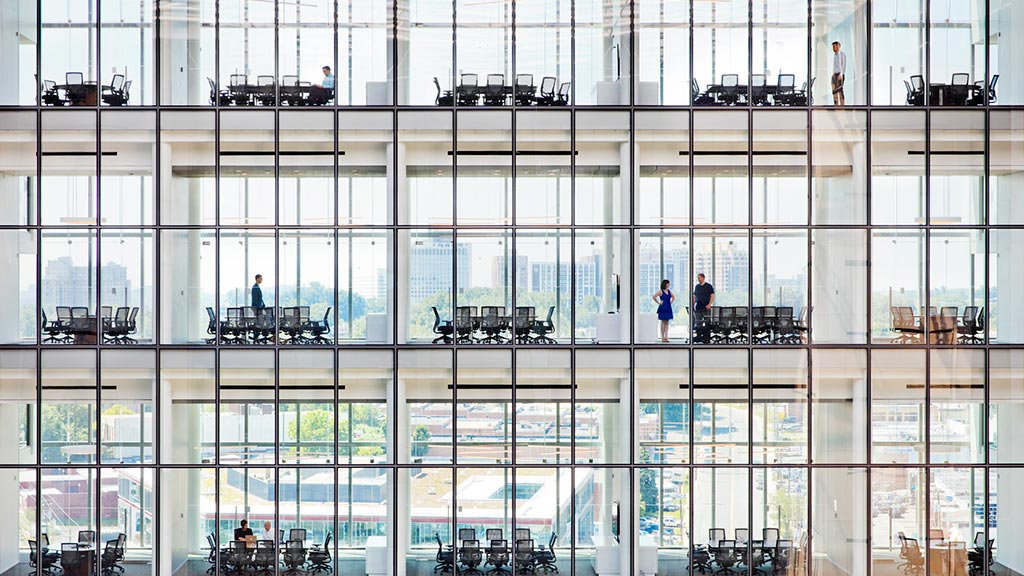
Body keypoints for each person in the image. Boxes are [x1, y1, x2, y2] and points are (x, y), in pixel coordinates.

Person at [692, 273, 715, 343]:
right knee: (698, 322)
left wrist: (709, 304)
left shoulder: (709, 286)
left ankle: (707, 337)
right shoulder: (697, 287)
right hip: (698, 307)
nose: (698, 279)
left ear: (703, 278)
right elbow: (695, 296)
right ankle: (699, 336)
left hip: (706, 307)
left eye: (699, 277)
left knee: (707, 322)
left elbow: (712, 296)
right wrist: (693, 304)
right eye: (697, 278)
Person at [831, 40, 846, 106]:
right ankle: (836, 105)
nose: (833, 48)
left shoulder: (842, 55)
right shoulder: (834, 55)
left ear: (838, 46)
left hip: (839, 74)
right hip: (834, 74)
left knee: (839, 90)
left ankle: (842, 105)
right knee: (834, 90)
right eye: (833, 47)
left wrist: (841, 74)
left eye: (834, 46)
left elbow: (843, 65)